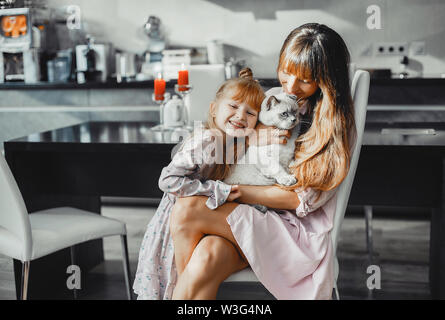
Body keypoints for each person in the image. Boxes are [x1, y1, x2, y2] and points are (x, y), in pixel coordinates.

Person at [168, 23, 356, 300]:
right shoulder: (271, 101)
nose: (290, 86)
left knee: (187, 209)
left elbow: (299, 200)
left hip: (291, 231)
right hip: (251, 220)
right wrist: (249, 139)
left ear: (327, 80)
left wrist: (236, 193)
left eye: (304, 80)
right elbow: (211, 151)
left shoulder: (329, 126)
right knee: (207, 256)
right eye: (286, 72)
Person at [132, 68, 287, 299]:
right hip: (181, 224)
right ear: (214, 109)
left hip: (203, 221)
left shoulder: (233, 143)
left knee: (196, 275)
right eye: (233, 107)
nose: (241, 116)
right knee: (181, 281)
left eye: (250, 113)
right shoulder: (207, 140)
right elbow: (168, 180)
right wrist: (217, 190)